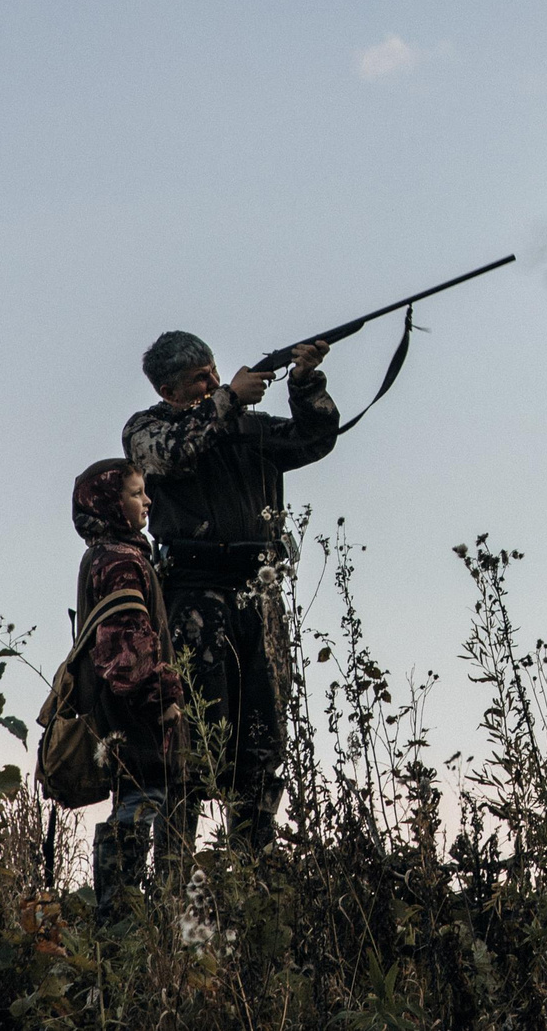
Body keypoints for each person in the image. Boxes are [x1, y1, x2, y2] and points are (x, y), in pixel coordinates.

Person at [123, 329, 339, 852]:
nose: (215, 382)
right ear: (168, 389)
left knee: (263, 741)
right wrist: (227, 400)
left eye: (215, 372)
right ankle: (176, 877)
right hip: (196, 598)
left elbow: (314, 440)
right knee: (193, 740)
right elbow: (170, 454)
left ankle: (253, 869)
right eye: (201, 378)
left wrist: (306, 383)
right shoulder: (148, 428)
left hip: (258, 599)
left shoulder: (244, 425)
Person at [68, 456, 184, 916]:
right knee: (142, 796)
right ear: (112, 504)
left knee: (136, 795)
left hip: (112, 704)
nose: (148, 501)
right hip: (133, 708)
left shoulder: (104, 553)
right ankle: (120, 915)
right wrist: (164, 699)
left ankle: (120, 911)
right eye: (136, 494)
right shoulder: (121, 561)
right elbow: (128, 643)